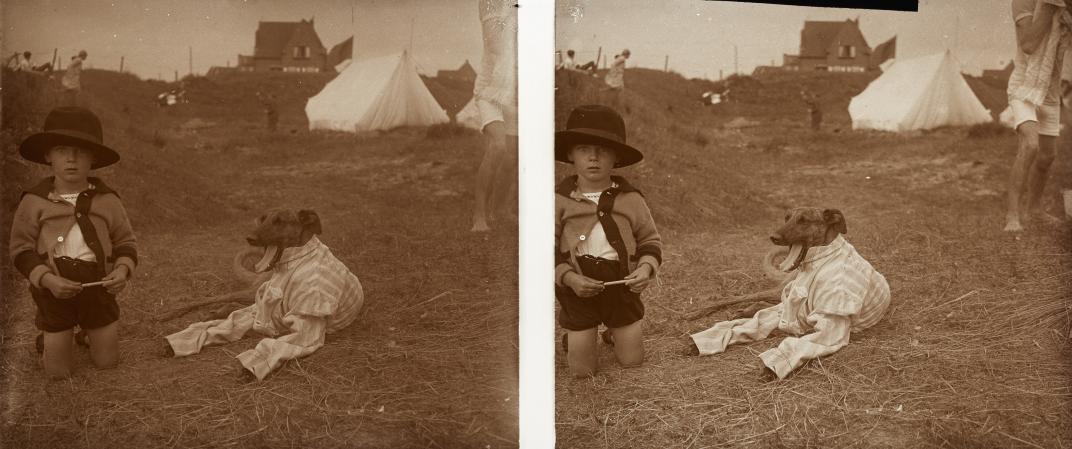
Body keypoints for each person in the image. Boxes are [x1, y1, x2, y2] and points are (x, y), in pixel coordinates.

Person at [9, 107, 137, 379]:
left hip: (98, 288)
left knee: (107, 363)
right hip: (54, 290)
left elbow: (126, 242)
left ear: (93, 158)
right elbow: (21, 250)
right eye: (62, 149)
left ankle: (87, 333)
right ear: (48, 156)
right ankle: (53, 337)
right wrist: (46, 279)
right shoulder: (34, 201)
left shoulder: (108, 200)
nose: (71, 158)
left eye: (81, 150)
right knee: (58, 373)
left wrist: (122, 271)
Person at [554, 104, 662, 377]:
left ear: (616, 157)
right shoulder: (558, 200)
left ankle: (615, 332)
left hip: (621, 286)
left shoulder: (631, 199)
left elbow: (650, 240)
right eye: (583, 149)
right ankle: (577, 337)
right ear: (570, 154)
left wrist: (645, 269)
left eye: (603, 150)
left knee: (632, 361)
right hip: (578, 287)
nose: (593, 157)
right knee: (582, 372)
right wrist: (569, 278)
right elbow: (544, 250)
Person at [1005, 0, 1072, 231]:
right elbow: (1028, 44)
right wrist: (1051, 6)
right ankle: (1012, 217)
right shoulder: (1022, 1)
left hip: (1050, 91)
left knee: (1047, 157)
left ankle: (1033, 211)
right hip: (1024, 87)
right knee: (1030, 146)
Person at [471, 0, 518, 232]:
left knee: (512, 157)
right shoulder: (490, 5)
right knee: (499, 146)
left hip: (514, 95)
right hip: (489, 92)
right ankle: (479, 217)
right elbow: (498, 45)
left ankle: (500, 210)